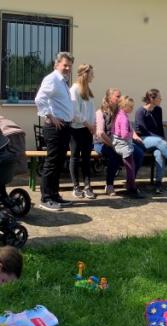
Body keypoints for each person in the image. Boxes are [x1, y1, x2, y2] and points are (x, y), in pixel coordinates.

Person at [35, 52, 76, 212]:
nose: (67, 68)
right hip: (55, 128)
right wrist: (50, 117)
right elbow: (40, 99)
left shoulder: (63, 82)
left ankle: (54, 194)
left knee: (59, 163)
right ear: (56, 64)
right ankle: (46, 198)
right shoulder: (51, 79)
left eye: (69, 66)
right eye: (65, 65)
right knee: (52, 162)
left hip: (64, 127)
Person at [93, 88, 144, 196]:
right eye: (117, 96)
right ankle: (109, 185)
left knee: (139, 153)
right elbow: (100, 133)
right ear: (109, 98)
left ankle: (130, 182)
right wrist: (112, 145)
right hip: (102, 143)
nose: (120, 98)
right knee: (114, 154)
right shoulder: (100, 112)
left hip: (119, 141)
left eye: (120, 96)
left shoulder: (120, 111)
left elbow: (128, 127)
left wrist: (135, 136)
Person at [69, 64, 97, 200]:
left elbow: (91, 111)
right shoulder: (74, 89)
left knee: (86, 158)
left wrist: (93, 125)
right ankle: (76, 186)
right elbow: (75, 113)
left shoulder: (88, 90)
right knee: (75, 157)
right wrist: (87, 124)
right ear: (85, 74)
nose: (93, 76)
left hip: (88, 130)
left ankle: (87, 186)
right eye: (91, 73)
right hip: (76, 129)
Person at [112, 96, 142, 198]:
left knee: (131, 166)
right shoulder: (123, 117)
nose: (132, 109)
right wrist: (131, 134)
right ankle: (131, 189)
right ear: (124, 106)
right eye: (131, 107)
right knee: (130, 167)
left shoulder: (120, 114)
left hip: (121, 143)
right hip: (123, 145)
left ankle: (131, 186)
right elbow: (124, 135)